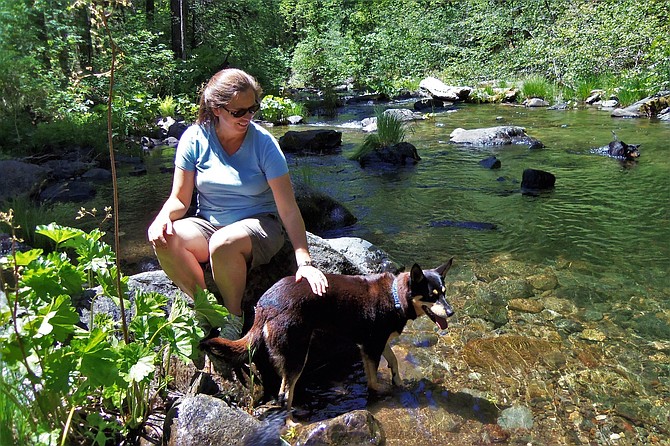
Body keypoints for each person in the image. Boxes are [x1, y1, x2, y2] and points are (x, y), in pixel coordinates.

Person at [147, 68, 328, 337]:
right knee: (166, 237)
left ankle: (233, 317)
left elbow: (288, 209)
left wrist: (304, 260)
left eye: (252, 108)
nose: (248, 117)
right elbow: (179, 200)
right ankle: (206, 307)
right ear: (216, 109)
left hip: (261, 224)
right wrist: (162, 219)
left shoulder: (264, 144)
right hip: (208, 223)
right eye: (238, 112)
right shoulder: (195, 139)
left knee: (223, 243)